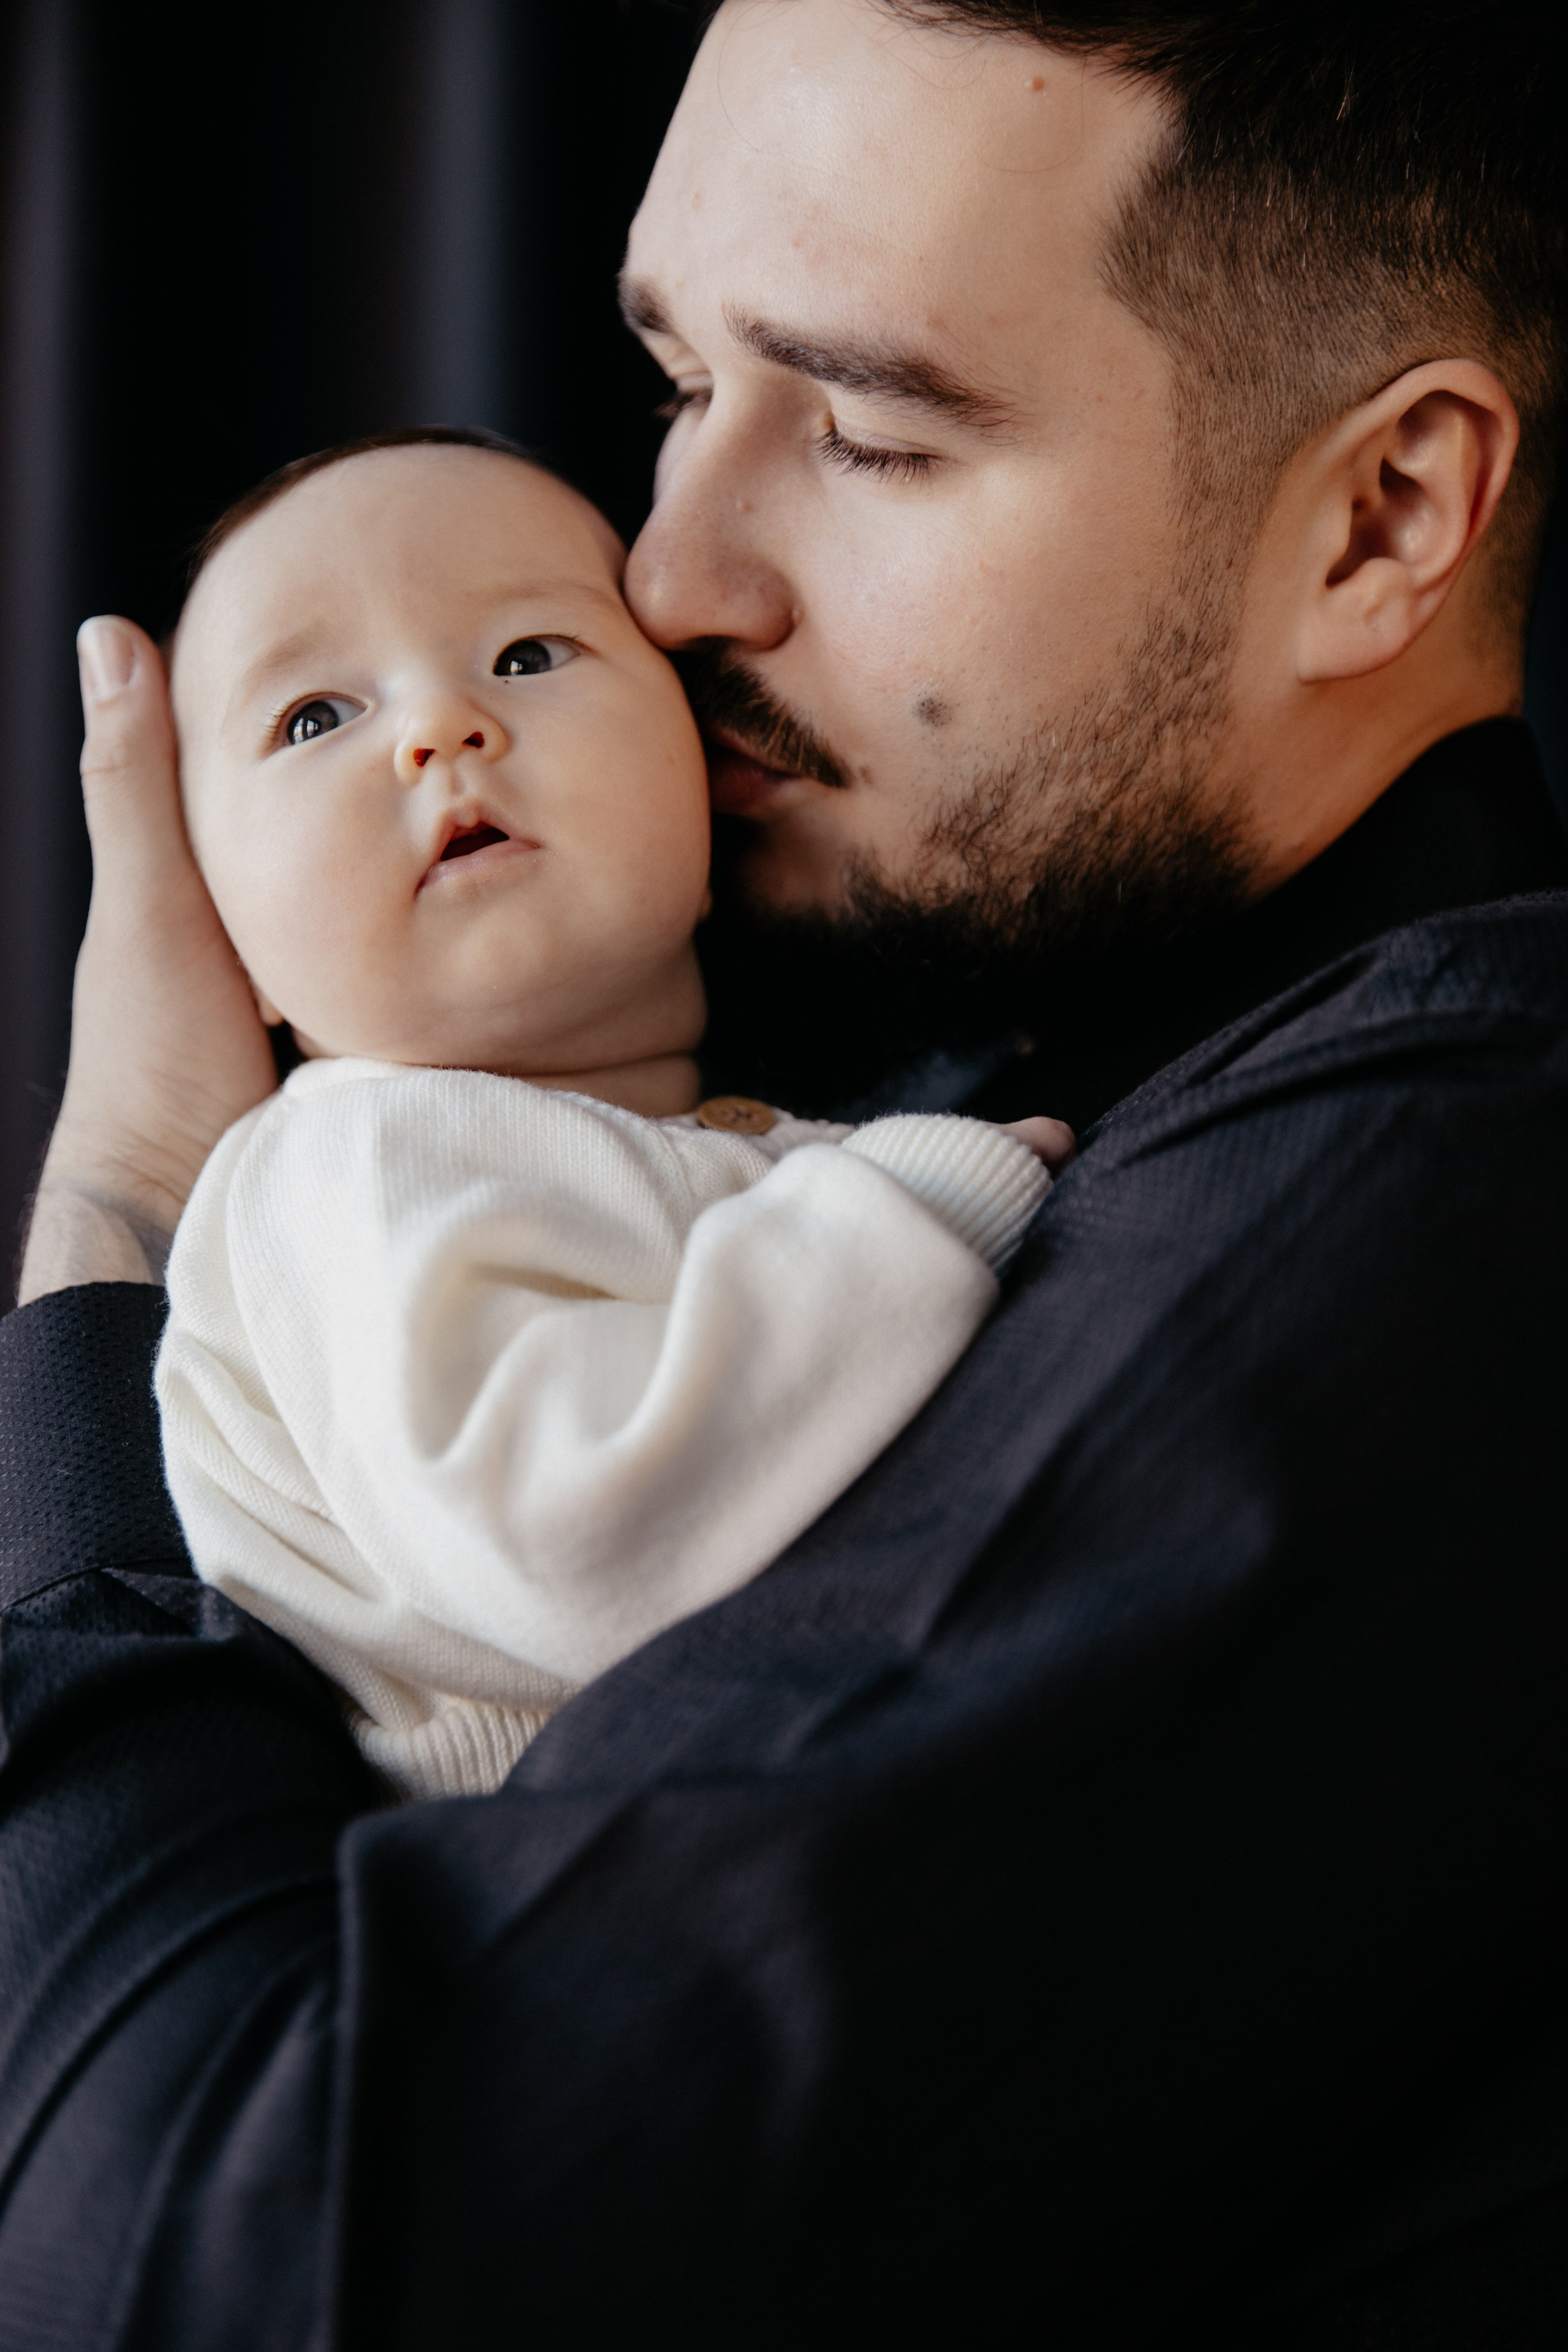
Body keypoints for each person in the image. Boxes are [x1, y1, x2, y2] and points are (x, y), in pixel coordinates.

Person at [2, 2, 1566, 2343]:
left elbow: (222, 2268)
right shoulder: (908, 1051)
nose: (667, 572)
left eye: (864, 431)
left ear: (1380, 521)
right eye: (675, 390)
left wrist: (113, 1248)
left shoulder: (1426, 1222)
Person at [156, 426, 1054, 1801]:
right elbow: (574, 1534)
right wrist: (905, 1215)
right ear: (225, 938)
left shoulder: (672, 1137)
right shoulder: (353, 1164)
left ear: (709, 792)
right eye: (313, 718)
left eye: (525, 656)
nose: (438, 730)